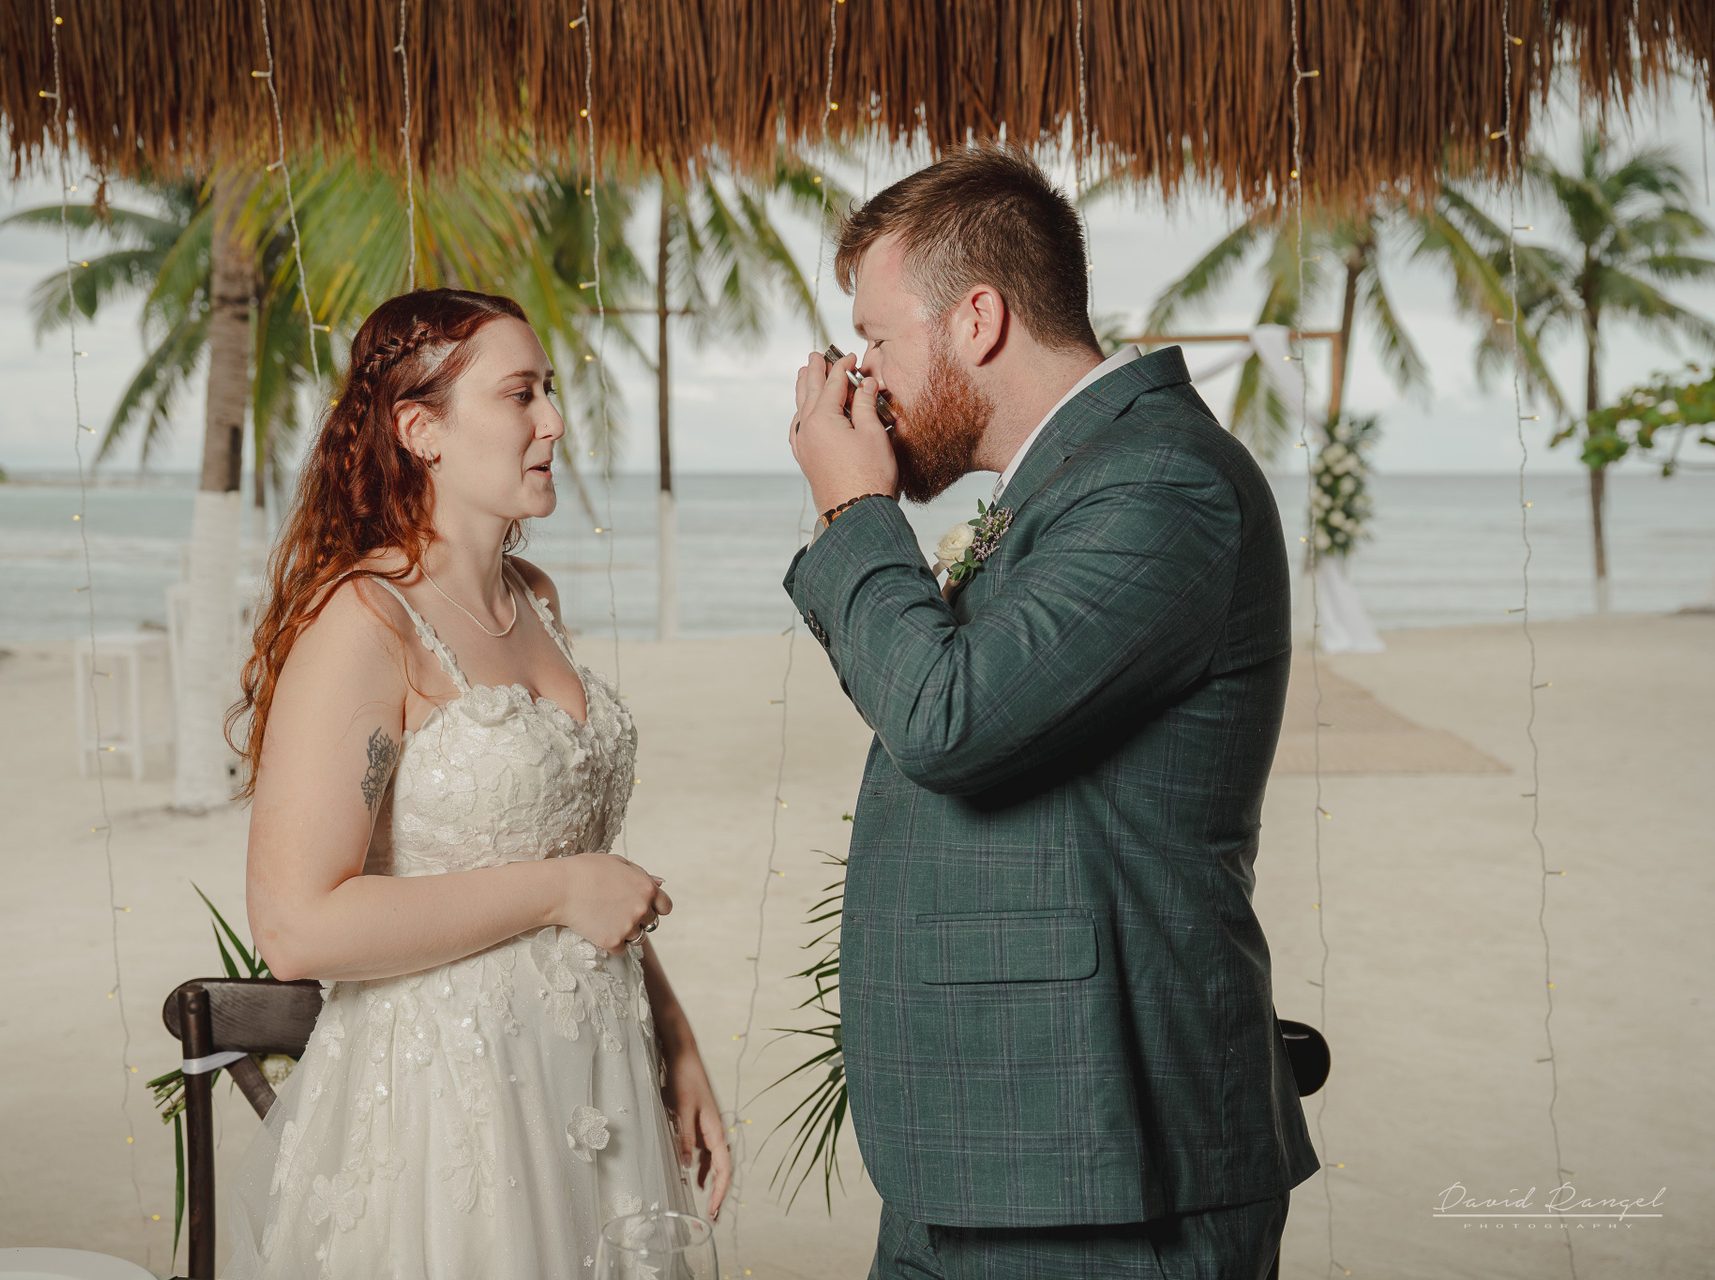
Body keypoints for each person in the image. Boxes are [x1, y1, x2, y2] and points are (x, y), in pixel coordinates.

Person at [784, 147, 1319, 1278]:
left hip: (1099, 1164)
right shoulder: (1072, 482)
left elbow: (947, 719)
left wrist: (852, 512)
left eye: (875, 338)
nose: (860, 374)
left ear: (976, 319)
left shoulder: (1159, 480)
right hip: (991, 1146)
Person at [221, 288, 730, 1278]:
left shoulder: (535, 599)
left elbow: (584, 871)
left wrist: (673, 1043)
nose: (555, 421)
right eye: (520, 394)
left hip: (598, 1076)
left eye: (550, 390)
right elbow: (294, 926)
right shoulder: (366, 622)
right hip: (449, 1099)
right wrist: (560, 889)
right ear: (422, 431)